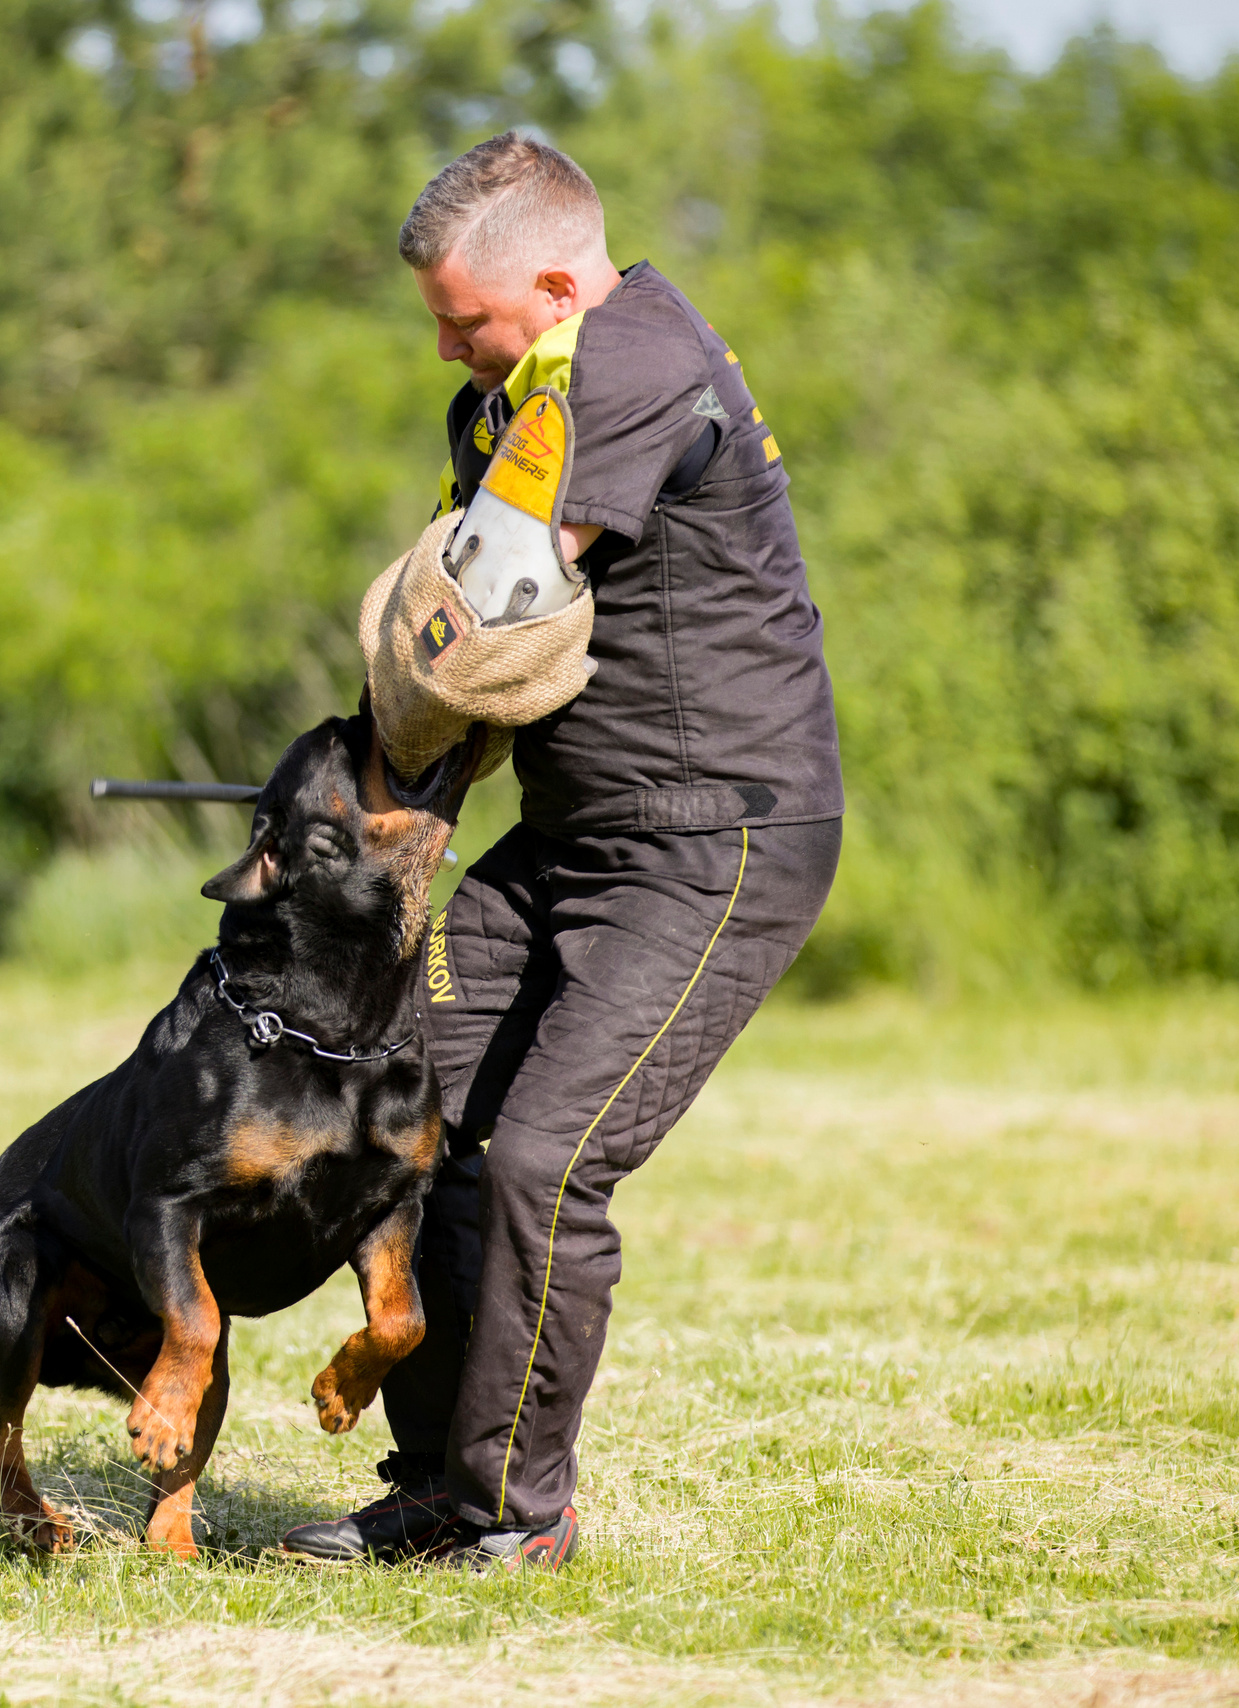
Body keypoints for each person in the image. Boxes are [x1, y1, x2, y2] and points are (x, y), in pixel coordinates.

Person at [281, 132, 845, 1570]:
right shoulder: (505, 398)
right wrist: (369, 818)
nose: (447, 345)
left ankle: (519, 1520)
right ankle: (435, 1490)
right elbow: (456, 675)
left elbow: (483, 629)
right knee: (412, 1114)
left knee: (544, 1161)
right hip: (573, 836)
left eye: (463, 318)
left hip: (716, 846)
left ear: (550, 278)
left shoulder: (625, 367)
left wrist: (390, 741)